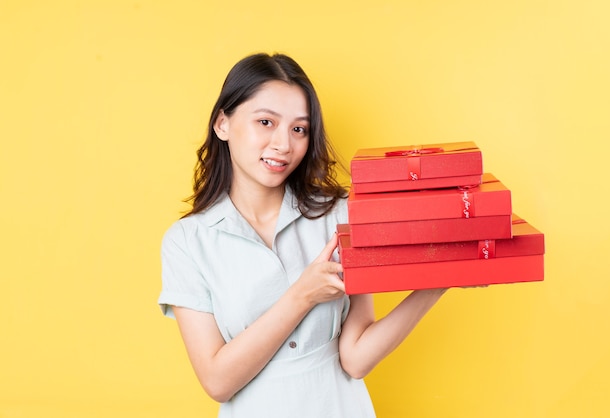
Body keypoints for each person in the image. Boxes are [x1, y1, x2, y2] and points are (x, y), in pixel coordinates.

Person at [158, 52, 447, 418]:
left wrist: (438, 281)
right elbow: (217, 381)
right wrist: (302, 295)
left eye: (299, 129)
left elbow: (355, 359)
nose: (283, 144)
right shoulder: (187, 241)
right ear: (222, 124)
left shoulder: (340, 213)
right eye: (266, 122)